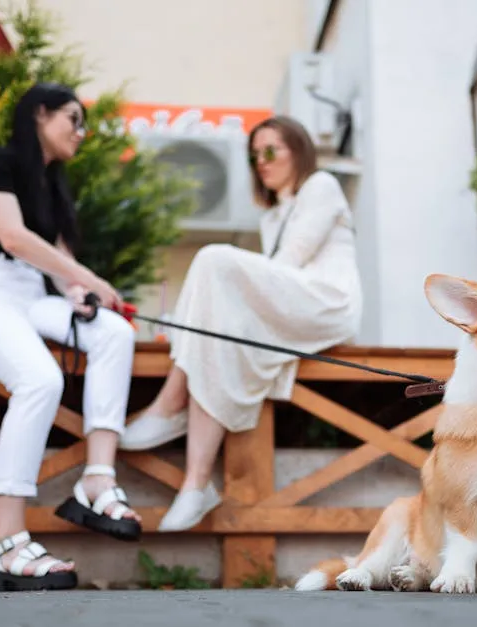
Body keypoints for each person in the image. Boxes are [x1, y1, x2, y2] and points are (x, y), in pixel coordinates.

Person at [117, 115, 363, 531]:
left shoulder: (321, 186)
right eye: (254, 156)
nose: (261, 162)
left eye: (271, 150)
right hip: (292, 299)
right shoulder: (271, 217)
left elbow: (291, 262)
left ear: (298, 149)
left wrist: (240, 297)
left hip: (326, 303)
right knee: (219, 336)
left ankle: (169, 403)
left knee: (215, 261)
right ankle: (196, 486)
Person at [0, 82, 142, 592]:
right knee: (40, 380)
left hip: (30, 294)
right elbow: (12, 238)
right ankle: (7, 541)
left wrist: (78, 292)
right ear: (39, 115)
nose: (81, 131)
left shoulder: (52, 186)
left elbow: (54, 267)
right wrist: (91, 279)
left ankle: (97, 479)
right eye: (73, 119)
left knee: (114, 334)